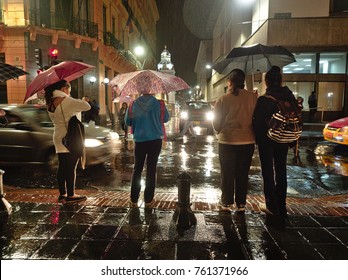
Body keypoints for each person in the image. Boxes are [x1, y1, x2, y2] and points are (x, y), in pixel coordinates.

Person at [253, 66, 298, 218]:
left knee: (267, 171)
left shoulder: (264, 99)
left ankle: (271, 204)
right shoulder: (289, 97)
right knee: (281, 169)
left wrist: (258, 140)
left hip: (267, 140)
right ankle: (282, 203)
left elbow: (258, 123)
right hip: (284, 138)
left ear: (266, 82)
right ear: (280, 81)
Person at [213, 69, 258, 213]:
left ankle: (227, 202)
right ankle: (241, 204)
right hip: (247, 140)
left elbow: (216, 123)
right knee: (242, 173)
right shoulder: (252, 97)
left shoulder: (223, 99)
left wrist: (219, 130)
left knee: (227, 173)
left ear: (230, 82)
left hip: (227, 141)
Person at [44, 79, 91, 203]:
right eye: (69, 89)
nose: (69, 92)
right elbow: (87, 106)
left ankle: (62, 194)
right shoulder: (67, 100)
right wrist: (83, 100)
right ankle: (71, 195)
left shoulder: (50, 103)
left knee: (62, 166)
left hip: (58, 136)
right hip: (70, 136)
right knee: (71, 167)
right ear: (64, 89)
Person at [125, 91, 170, 207]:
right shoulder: (160, 104)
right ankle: (148, 200)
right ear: (153, 90)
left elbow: (127, 121)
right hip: (155, 140)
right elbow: (166, 118)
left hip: (140, 140)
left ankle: (134, 200)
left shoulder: (133, 104)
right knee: (151, 169)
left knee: (137, 168)